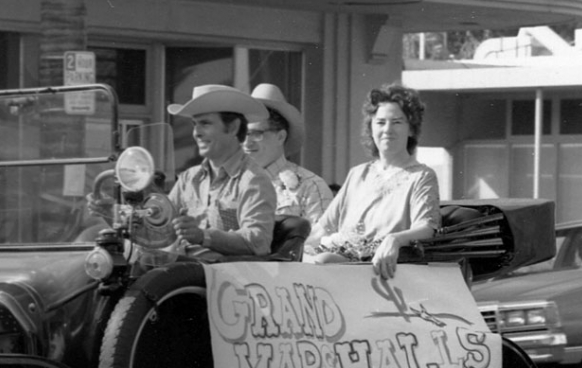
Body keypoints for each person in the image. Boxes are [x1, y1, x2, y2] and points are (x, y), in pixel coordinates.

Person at [305, 83, 441, 280]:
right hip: (337, 261)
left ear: (411, 129)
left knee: (323, 261)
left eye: (396, 122)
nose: (387, 130)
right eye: (380, 122)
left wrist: (394, 240)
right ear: (371, 127)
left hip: (379, 273)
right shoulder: (358, 174)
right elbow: (324, 227)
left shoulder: (421, 177)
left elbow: (426, 228)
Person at [164, 85, 277, 259]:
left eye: (205, 124)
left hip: (220, 278)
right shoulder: (189, 178)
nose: (196, 133)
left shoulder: (254, 179)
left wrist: (203, 236)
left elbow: (258, 241)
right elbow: (163, 223)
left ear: (232, 127)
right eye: (194, 124)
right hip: (179, 271)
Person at [248, 84, 333, 224]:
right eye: (242, 134)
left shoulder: (310, 186)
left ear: (280, 136)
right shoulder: (231, 184)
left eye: (256, 134)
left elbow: (321, 241)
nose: (246, 142)